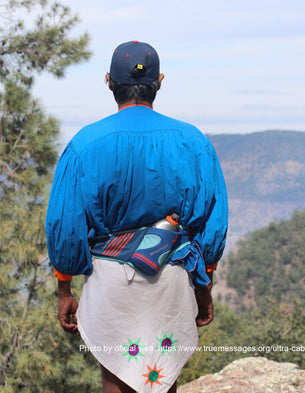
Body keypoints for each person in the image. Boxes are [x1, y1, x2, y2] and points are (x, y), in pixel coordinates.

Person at [45, 41, 228, 393]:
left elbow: (65, 225)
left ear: (108, 82)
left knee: (117, 376)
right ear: (159, 81)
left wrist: (64, 288)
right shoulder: (192, 141)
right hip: (171, 279)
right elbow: (212, 223)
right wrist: (203, 288)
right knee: (160, 376)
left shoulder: (85, 144)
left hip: (111, 281)